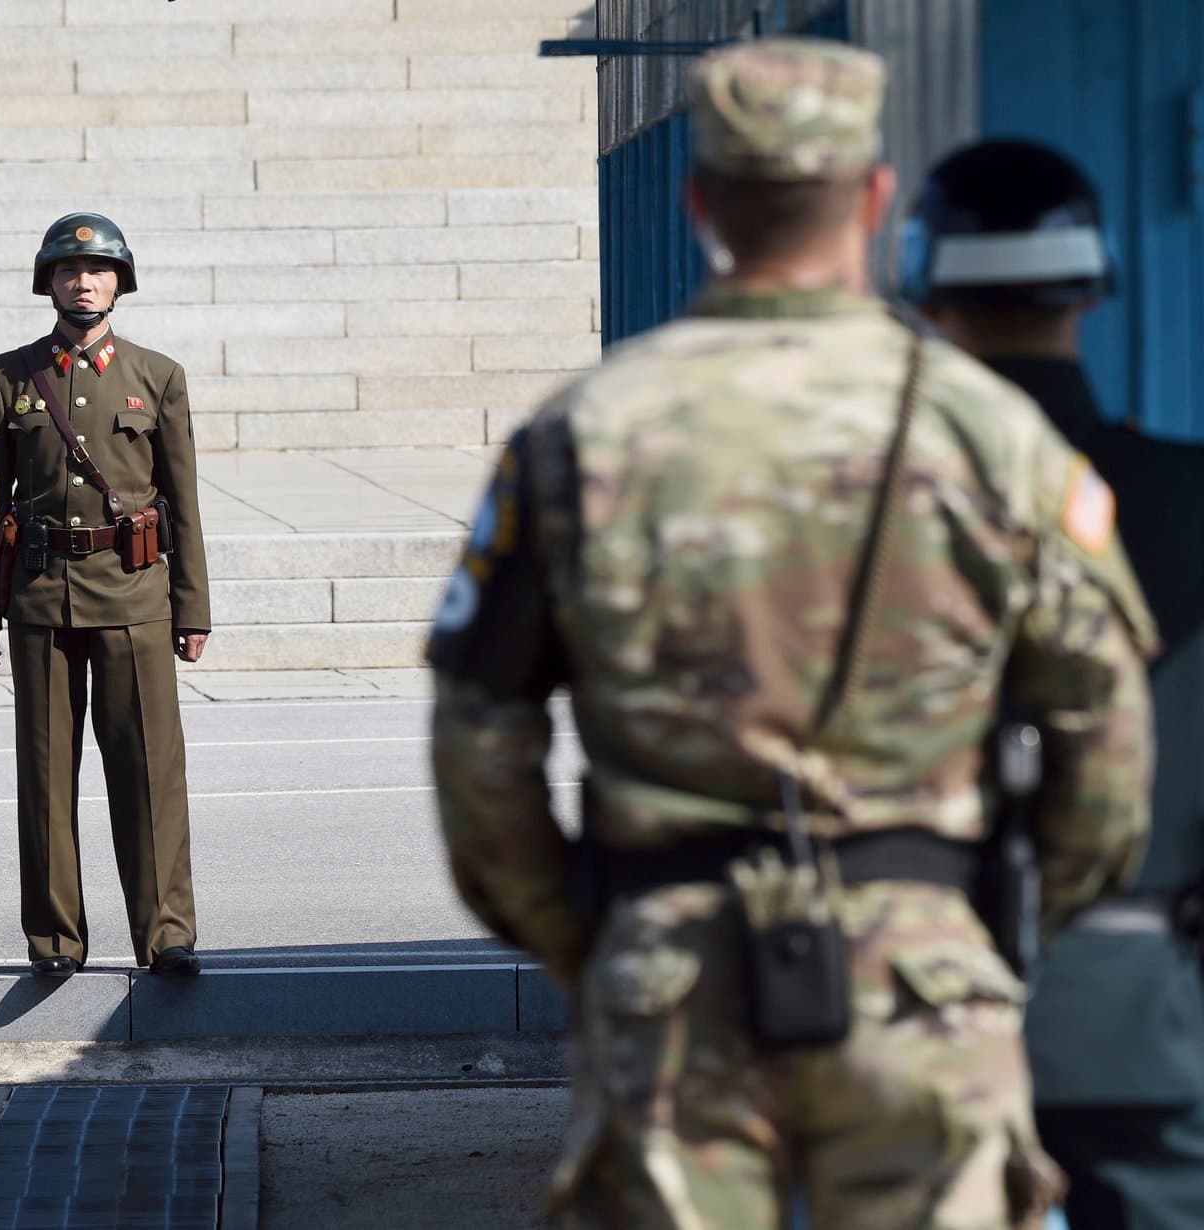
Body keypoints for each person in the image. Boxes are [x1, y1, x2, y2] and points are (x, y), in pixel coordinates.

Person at [429, 39, 1157, 1228]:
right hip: (924, 993)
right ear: (875, 200)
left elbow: (479, 739)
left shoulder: (582, 433)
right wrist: (982, 936)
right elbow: (1107, 741)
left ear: (700, 202)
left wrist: (600, 937)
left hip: (668, 983)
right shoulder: (990, 432)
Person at [903, 138, 1204, 1230]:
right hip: (1147, 1008)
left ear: (923, 282)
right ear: (1096, 280)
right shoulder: (1186, 500)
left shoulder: (851, 521)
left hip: (897, 1013)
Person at [0, 213, 211, 978]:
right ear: (49, 283)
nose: (83, 281)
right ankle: (56, 938)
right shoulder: (7, 377)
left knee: (149, 772)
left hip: (135, 596)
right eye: (69, 271)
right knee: (43, 775)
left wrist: (192, 607)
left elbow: (183, 500)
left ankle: (166, 933)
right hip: (39, 597)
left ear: (119, 282)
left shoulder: (156, 376)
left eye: (98, 269)